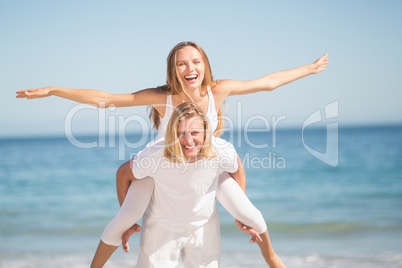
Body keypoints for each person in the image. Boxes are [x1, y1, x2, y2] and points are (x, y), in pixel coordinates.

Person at [16, 41, 328, 265]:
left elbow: (268, 83)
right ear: (173, 70)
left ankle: (271, 257)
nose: (189, 67)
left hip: (204, 162)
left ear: (204, 64)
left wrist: (310, 69)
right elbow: (107, 99)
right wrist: (55, 90)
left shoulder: (216, 90)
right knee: (124, 217)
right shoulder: (162, 97)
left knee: (250, 214)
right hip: (162, 164)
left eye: (195, 61)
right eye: (181, 63)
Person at [91, 102, 283, 267]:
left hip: (203, 226)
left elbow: (237, 167)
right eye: (181, 133)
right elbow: (123, 173)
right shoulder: (156, 155)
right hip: (161, 227)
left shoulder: (220, 150)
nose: (189, 140)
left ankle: (271, 257)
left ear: (206, 131)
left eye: (195, 132)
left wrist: (239, 213)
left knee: (253, 216)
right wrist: (130, 222)